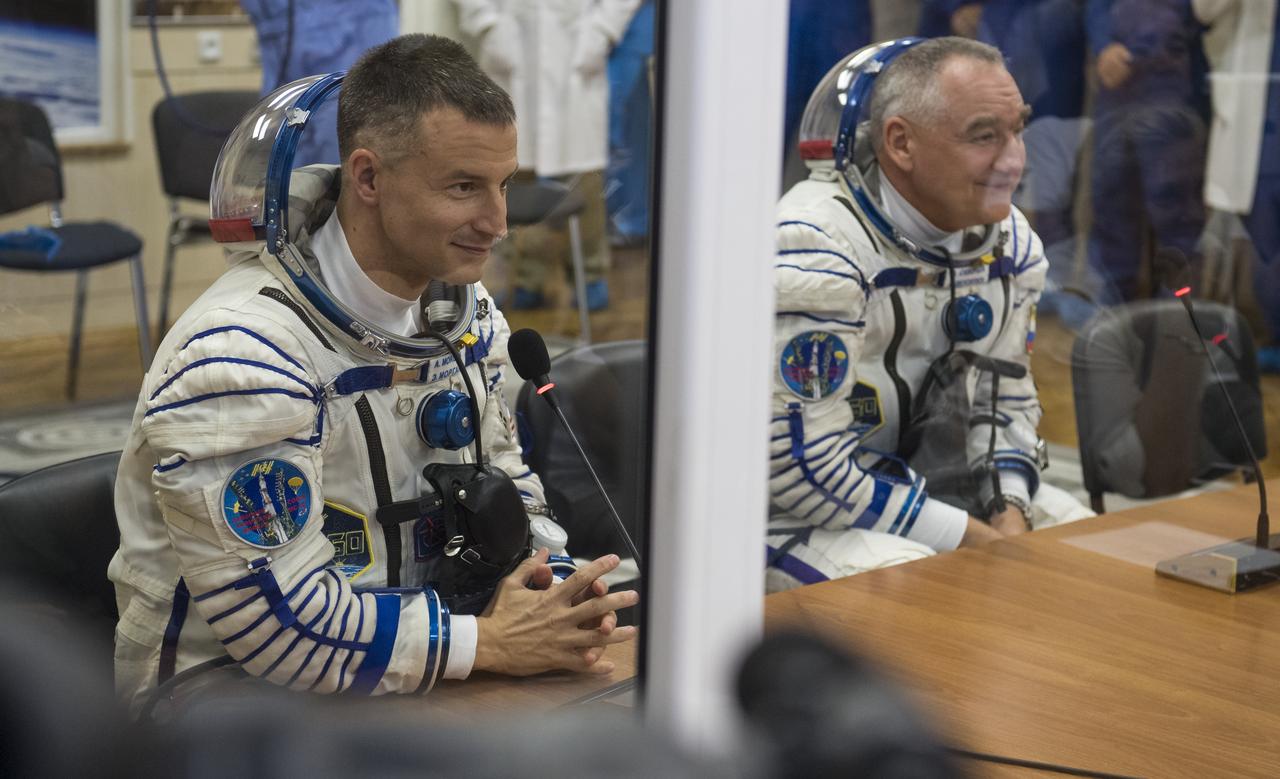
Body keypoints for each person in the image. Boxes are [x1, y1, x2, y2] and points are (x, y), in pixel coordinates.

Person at [109, 34, 637, 714]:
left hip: (425, 652)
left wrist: (553, 588)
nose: (498, 223)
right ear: (367, 178)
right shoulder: (243, 355)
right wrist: (487, 642)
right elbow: (276, 627)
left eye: (503, 185)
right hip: (225, 696)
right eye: (464, 187)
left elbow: (506, 473)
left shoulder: (463, 314)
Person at [766, 37, 1091, 592]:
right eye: (984, 136)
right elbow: (800, 467)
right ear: (901, 143)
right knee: (922, 591)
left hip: (932, 492)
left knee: (1084, 552)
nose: (1014, 160)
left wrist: (1009, 509)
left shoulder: (1008, 242)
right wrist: (969, 537)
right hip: (790, 514)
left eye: (1017, 130)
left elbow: (1005, 403)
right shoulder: (814, 247)